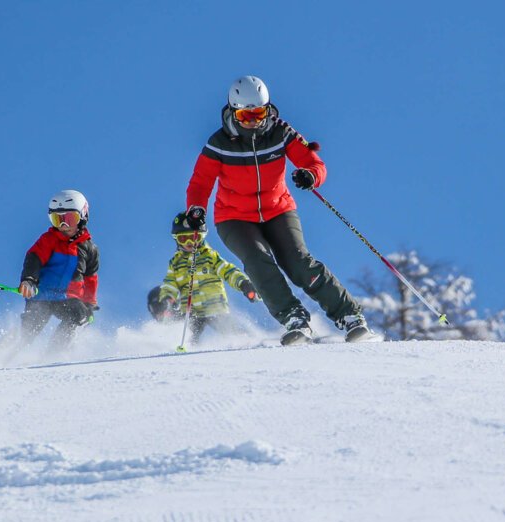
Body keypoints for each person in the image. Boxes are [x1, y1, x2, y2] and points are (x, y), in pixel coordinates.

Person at [184, 75, 371, 345]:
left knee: (298, 261)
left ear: (268, 109)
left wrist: (310, 175)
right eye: (245, 115)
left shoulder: (280, 132)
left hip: (277, 209)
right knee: (258, 261)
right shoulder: (219, 144)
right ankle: (294, 318)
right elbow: (200, 183)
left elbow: (313, 162)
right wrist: (195, 210)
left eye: (258, 113)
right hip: (234, 217)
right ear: (233, 111)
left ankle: (350, 316)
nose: (253, 120)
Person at [150, 211, 257, 344]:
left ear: (201, 237)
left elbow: (228, 271)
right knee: (192, 336)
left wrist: (243, 283)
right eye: (183, 239)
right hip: (192, 312)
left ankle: (249, 343)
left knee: (229, 330)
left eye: (193, 238)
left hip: (215, 308)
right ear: (176, 240)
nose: (189, 243)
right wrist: (167, 298)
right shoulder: (175, 263)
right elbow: (170, 284)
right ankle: (190, 354)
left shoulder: (210, 257)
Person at [16, 189, 99, 352]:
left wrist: (89, 303)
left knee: (80, 316)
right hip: (41, 295)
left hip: (67, 298)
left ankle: (54, 353)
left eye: (69, 218)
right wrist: (29, 280)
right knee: (29, 330)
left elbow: (90, 278)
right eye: (57, 219)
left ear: (83, 216)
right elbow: (34, 258)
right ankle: (4, 353)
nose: (63, 225)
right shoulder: (49, 240)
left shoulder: (89, 249)